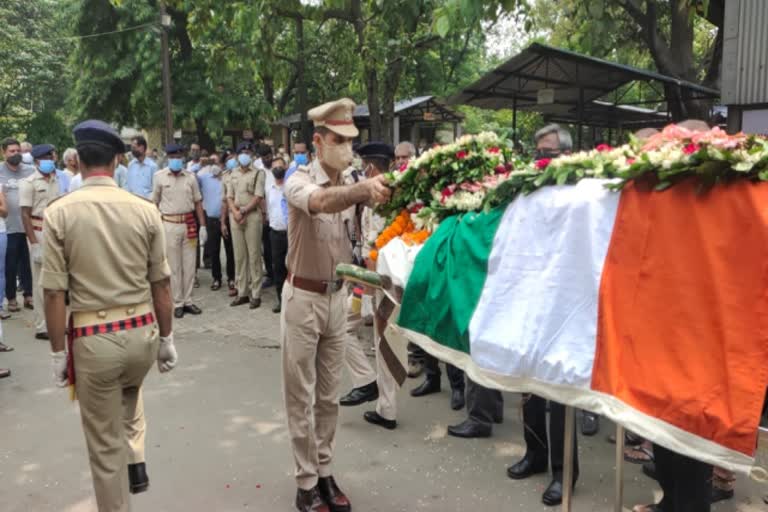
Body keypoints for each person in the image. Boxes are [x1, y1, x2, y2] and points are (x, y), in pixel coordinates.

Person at [42, 119, 178, 512]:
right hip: (142, 335)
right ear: (118, 159)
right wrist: (167, 339)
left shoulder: (59, 213)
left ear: (77, 161)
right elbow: (163, 285)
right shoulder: (145, 210)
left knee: (103, 448)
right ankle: (135, 460)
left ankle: (119, 493)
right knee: (129, 392)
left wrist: (56, 354)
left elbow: (54, 291)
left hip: (94, 339)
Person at [281, 98, 390, 512]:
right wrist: (360, 190)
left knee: (328, 397)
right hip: (303, 299)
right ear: (318, 141)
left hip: (336, 297)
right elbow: (323, 203)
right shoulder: (297, 179)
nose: (347, 149)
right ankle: (305, 482)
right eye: (339, 141)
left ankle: (325, 473)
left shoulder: (354, 181)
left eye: (351, 142)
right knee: (300, 396)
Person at [506, 123, 579, 507]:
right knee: (529, 388)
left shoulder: (580, 194)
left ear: (566, 154)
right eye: (537, 153)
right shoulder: (529, 192)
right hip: (529, 300)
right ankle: (534, 454)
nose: (541, 160)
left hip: (564, 306)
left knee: (559, 395)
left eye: (547, 152)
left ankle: (563, 472)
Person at [152, 144, 206, 319]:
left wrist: (203, 225)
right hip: (169, 224)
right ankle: (177, 302)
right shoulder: (159, 177)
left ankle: (188, 301)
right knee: (174, 266)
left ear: (183, 157)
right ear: (168, 158)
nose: (176, 159)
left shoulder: (190, 177)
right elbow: (155, 202)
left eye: (178, 156)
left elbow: (198, 202)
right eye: (172, 156)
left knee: (189, 265)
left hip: (189, 223)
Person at [20, 144, 61, 340]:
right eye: (46, 157)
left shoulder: (55, 178)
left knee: (57, 279)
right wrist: (34, 243)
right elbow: (25, 215)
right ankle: (42, 325)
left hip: (56, 232)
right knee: (40, 282)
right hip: (39, 232)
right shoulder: (29, 182)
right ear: (37, 161)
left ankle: (57, 322)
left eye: (51, 156)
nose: (50, 159)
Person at [227, 143, 266, 309]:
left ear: (252, 155)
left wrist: (243, 211)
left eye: (247, 152)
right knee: (239, 256)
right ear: (237, 155)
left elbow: (258, 197)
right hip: (235, 217)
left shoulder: (258, 173)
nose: (244, 154)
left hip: (252, 216)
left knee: (254, 255)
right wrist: (235, 213)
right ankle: (242, 292)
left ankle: (255, 293)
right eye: (241, 152)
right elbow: (229, 196)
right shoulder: (232, 174)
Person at [0, 138, 35, 313]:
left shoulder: (30, 171)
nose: (15, 154)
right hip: (8, 226)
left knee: (28, 264)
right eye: (12, 151)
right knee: (10, 265)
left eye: (18, 151)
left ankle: (29, 295)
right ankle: (12, 298)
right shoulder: (0, 171)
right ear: (4, 152)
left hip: (29, 225)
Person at [198, 156, 234, 292]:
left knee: (230, 251)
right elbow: (192, 178)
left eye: (216, 162)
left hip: (227, 219)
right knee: (214, 250)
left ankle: (231, 277)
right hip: (211, 220)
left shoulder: (227, 177)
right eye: (212, 162)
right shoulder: (204, 178)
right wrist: (200, 165)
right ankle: (216, 278)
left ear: (222, 164)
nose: (214, 165)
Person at [266, 156, 289, 313]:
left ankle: (293, 302)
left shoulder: (291, 188)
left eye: (280, 167)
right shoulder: (270, 189)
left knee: (292, 268)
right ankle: (281, 301)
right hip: (275, 233)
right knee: (278, 268)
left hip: (291, 234)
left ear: (286, 167)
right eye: (274, 168)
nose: (277, 170)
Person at [257, 145, 275, 288]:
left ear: (272, 155)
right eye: (263, 158)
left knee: (280, 248)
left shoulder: (278, 169)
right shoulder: (259, 171)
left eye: (268, 157)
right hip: (264, 215)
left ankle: (281, 273)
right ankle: (270, 274)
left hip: (278, 215)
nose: (266, 160)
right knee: (267, 248)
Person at [220, 153, 239, 297]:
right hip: (230, 216)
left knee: (244, 252)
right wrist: (222, 222)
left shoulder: (246, 174)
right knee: (230, 251)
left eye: (234, 159)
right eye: (228, 160)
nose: (232, 162)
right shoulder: (225, 176)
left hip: (245, 214)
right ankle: (232, 280)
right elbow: (225, 201)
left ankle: (245, 281)